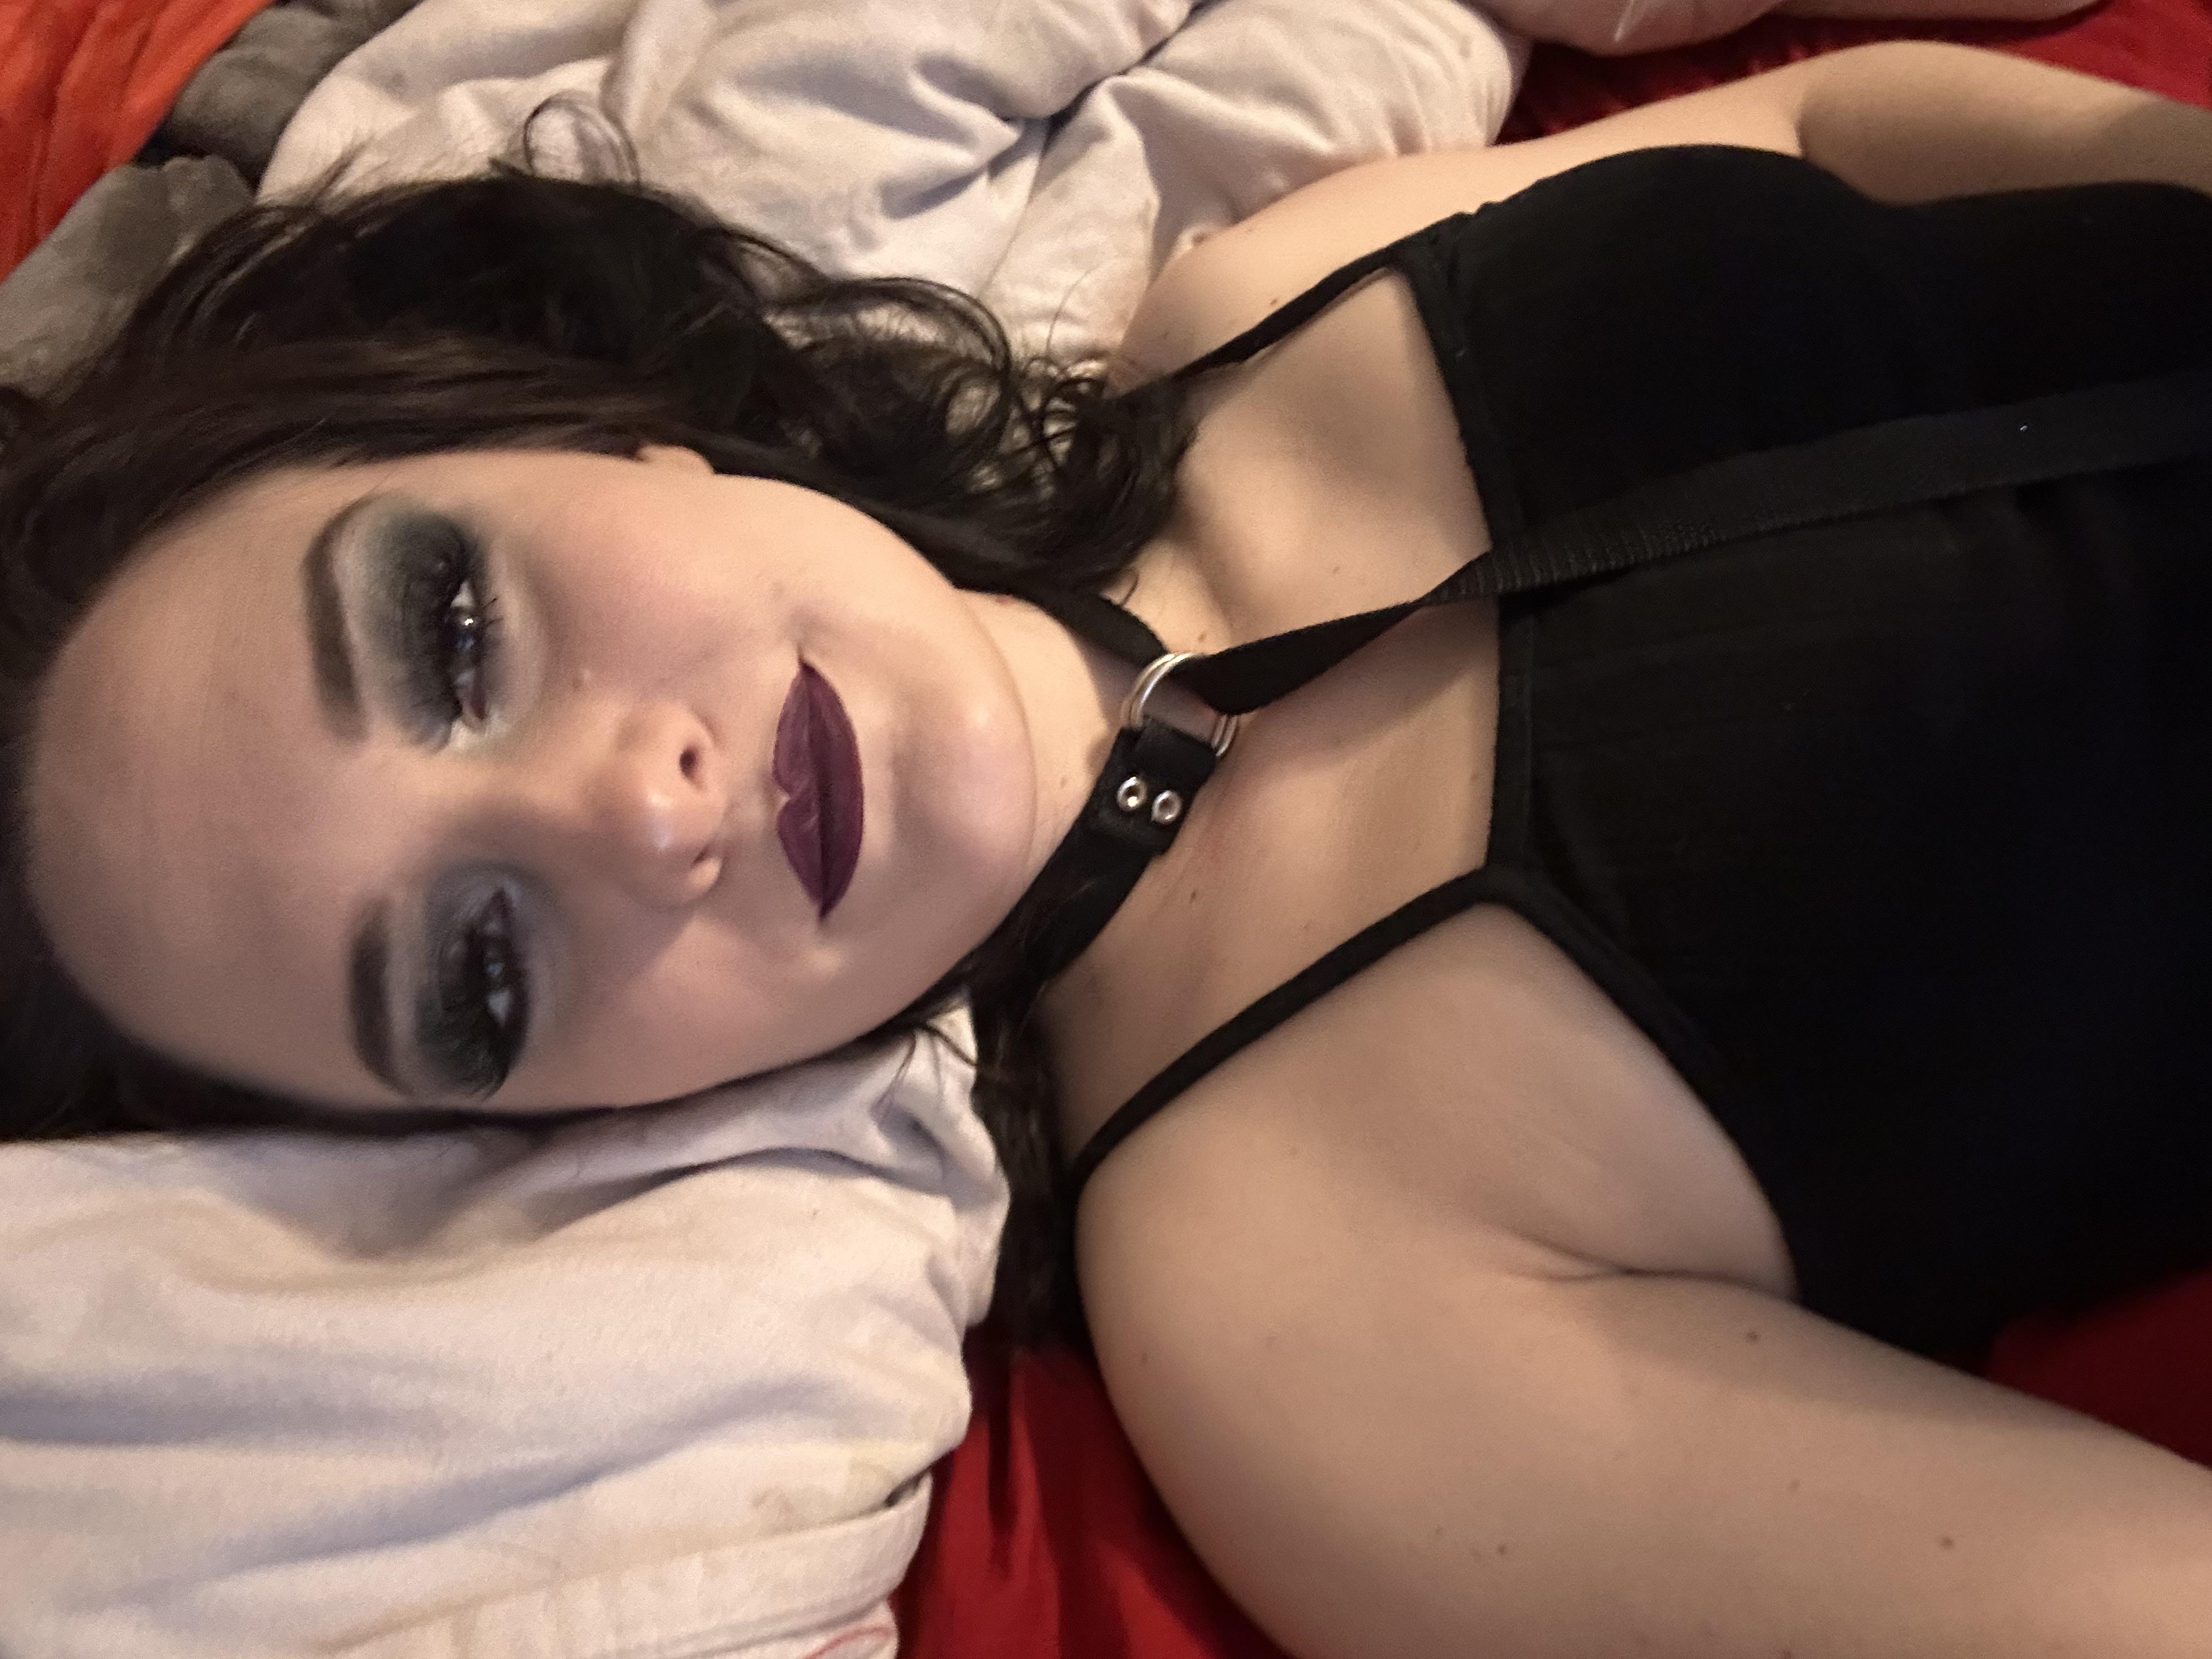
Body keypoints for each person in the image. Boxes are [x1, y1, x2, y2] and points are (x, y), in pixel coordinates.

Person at [7, 37, 2212, 1658]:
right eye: (475, 975)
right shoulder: (1314, 1342)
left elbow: (1828, 132)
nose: (634, 809)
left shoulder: (1260, 285)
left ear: (590, 434)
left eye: (451, 630)